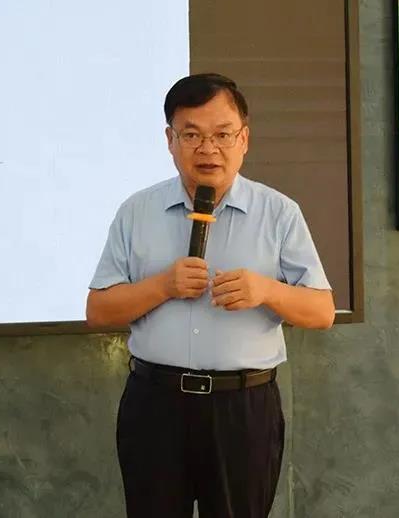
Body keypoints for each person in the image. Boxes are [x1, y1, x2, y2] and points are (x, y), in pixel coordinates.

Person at [86, 72, 334, 518]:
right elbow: (99, 310)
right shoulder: (136, 211)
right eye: (192, 135)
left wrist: (266, 290)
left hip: (243, 409)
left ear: (244, 139)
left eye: (222, 134)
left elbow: (322, 312)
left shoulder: (279, 213)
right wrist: (162, 286)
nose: (208, 148)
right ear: (170, 140)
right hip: (155, 404)